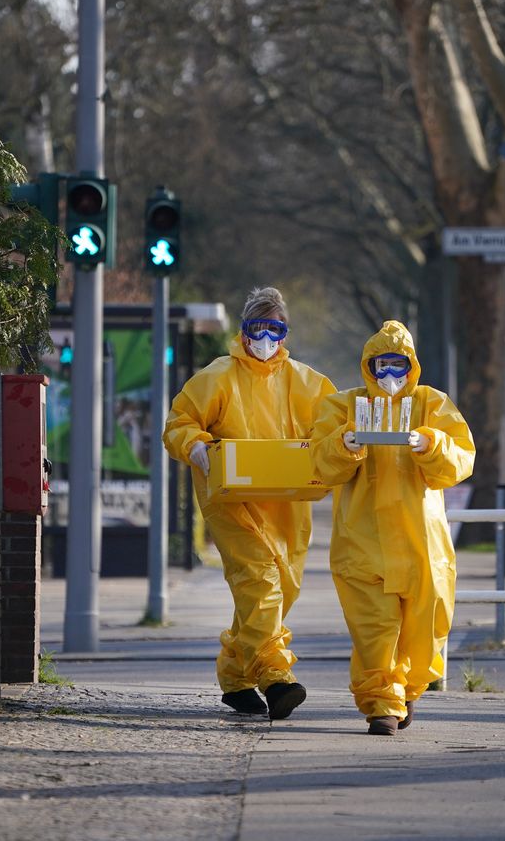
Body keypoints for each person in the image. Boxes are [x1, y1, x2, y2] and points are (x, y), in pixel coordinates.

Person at [164, 287, 336, 719]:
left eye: (274, 329)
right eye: (257, 328)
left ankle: (236, 675)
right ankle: (276, 677)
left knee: (280, 589)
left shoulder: (307, 381)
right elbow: (179, 422)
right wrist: (196, 445)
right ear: (243, 331)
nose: (265, 339)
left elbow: (335, 424)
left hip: (288, 506)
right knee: (260, 584)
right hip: (231, 501)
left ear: (285, 332)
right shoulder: (216, 377)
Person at [310, 320, 475, 735]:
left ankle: (407, 687)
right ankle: (383, 703)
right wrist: (342, 445)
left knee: (428, 625)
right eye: (381, 365)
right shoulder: (343, 407)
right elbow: (318, 461)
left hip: (421, 541)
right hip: (362, 540)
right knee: (374, 627)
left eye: (397, 365)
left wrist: (432, 445)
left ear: (411, 366)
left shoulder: (431, 405)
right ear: (368, 365)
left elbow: (461, 460)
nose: (389, 375)